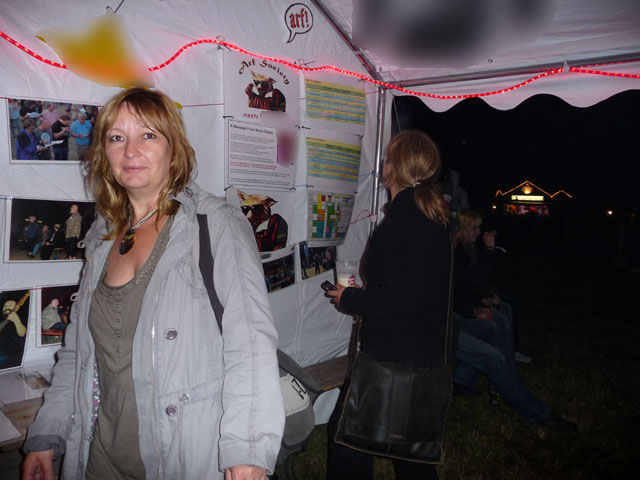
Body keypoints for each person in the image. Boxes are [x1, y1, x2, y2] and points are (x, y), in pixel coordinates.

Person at [23, 87, 284, 480]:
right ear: (104, 153)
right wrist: (48, 431)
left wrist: (247, 450)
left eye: (148, 135)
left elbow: (251, 344)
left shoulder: (216, 225)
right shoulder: (102, 236)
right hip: (99, 457)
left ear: (173, 149)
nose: (131, 151)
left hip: (180, 456)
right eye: (117, 138)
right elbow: (78, 352)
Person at [324, 130, 452, 480]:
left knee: (347, 442)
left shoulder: (406, 220)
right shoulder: (427, 215)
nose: (383, 162)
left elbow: (402, 297)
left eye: (388, 157)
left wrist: (349, 297)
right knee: (411, 456)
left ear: (394, 167)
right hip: (419, 354)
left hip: (394, 359)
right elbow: (413, 288)